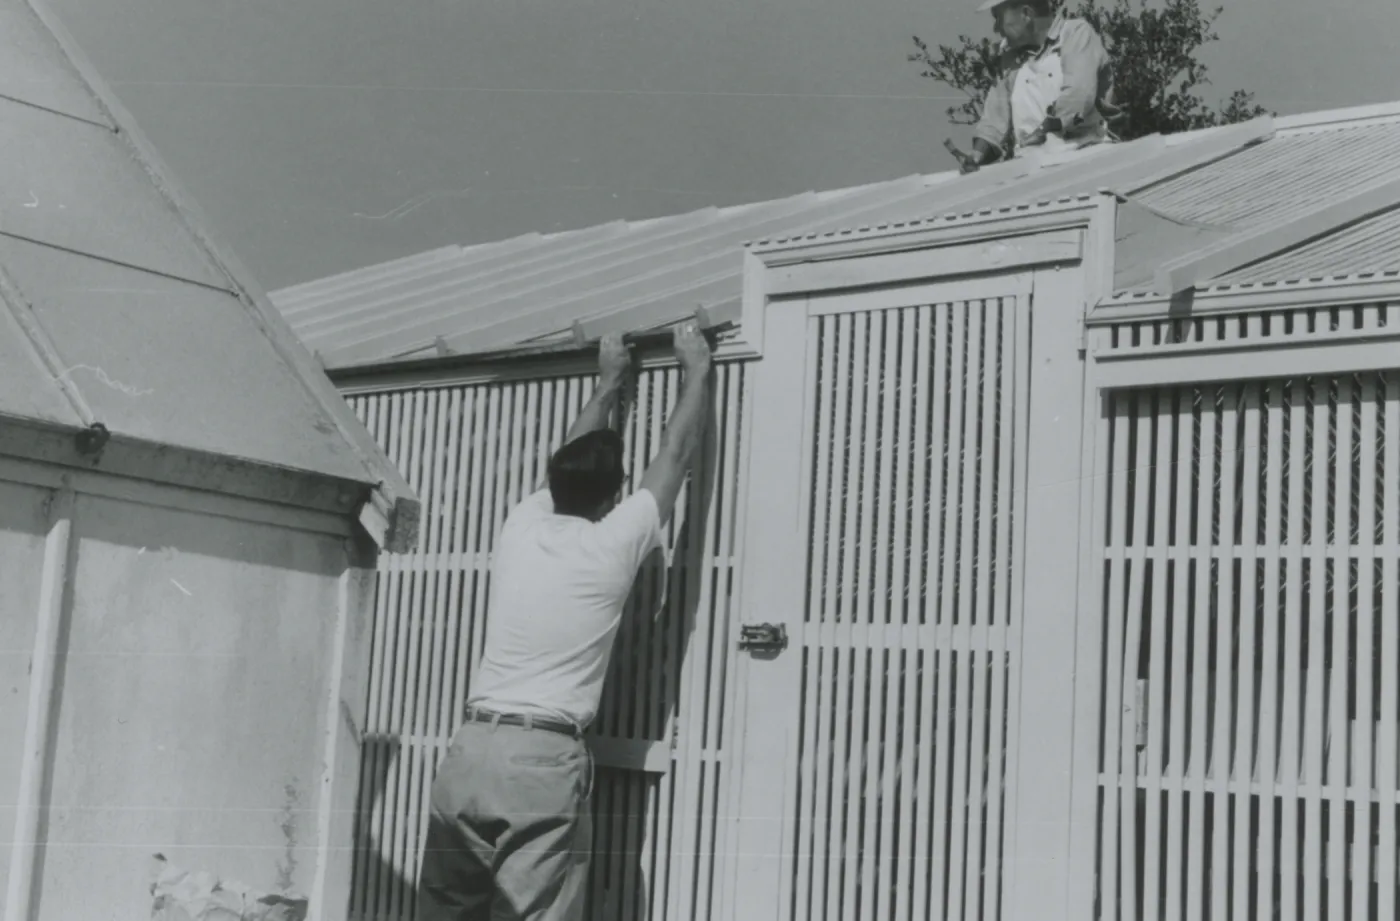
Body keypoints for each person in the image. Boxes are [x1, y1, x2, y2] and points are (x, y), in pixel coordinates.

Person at [418, 322, 713, 921]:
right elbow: (675, 458)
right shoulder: (612, 543)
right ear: (614, 499)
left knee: (446, 912)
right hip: (541, 759)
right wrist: (698, 368)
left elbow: (568, 459)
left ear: (552, 487)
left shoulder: (521, 525)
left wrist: (607, 385)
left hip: (470, 750)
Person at [960, 0, 1121, 171]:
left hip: (1086, 156)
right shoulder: (1010, 60)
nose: (996, 28)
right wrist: (977, 154)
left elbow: (1077, 98)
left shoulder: (1076, 34)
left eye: (998, 18)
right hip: (1032, 166)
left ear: (1026, 14)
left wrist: (1041, 132)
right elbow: (994, 119)